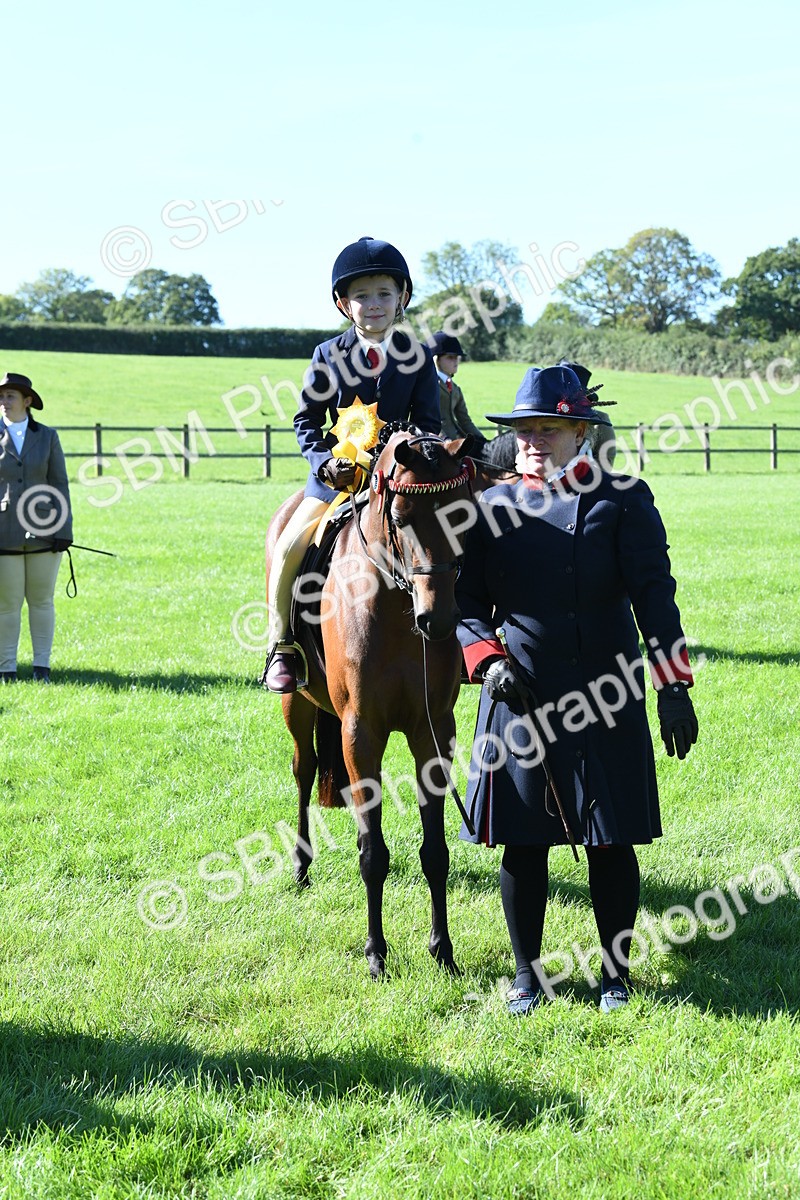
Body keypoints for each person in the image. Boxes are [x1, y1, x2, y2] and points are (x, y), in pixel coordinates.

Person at [455, 364, 698, 1015]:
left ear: (581, 430)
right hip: (519, 694)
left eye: (549, 428)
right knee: (523, 840)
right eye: (524, 430)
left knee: (609, 838)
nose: (533, 440)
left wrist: (674, 685)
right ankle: (527, 976)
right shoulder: (490, 506)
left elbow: (656, 598)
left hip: (606, 692)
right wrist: (486, 659)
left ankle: (614, 976)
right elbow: (466, 603)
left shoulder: (624, 497)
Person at [263, 237, 441, 693]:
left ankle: (463, 632)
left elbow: (428, 422)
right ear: (343, 303)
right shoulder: (327, 355)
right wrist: (325, 465)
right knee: (287, 548)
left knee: (451, 538)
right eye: (361, 295)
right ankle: (281, 646)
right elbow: (306, 419)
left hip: (398, 482)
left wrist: (407, 450)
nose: (373, 304)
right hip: (336, 482)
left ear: (402, 298)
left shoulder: (418, 357)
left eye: (384, 293)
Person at [0, 372, 73, 683]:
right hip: (3, 530)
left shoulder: (48, 436)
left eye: (10, 397)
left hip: (46, 530)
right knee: (7, 604)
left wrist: (64, 529)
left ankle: (42, 667)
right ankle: (7, 668)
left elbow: (59, 483)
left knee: (42, 600)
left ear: (27, 401)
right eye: (1, 397)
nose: (3, 402)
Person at [431, 331, 487, 450]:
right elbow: (428, 418)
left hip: (456, 443)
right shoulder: (429, 385)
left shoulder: (455, 389)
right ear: (437, 360)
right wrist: (444, 439)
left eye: (457, 357)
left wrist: (484, 441)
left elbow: (465, 421)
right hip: (436, 443)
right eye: (450, 357)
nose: (456, 361)